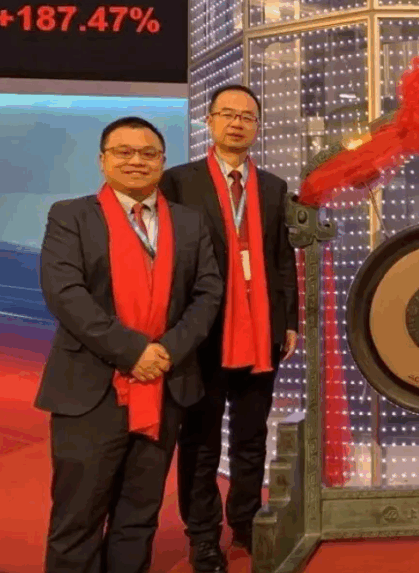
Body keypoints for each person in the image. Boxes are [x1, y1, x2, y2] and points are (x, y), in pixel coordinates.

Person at [37, 116, 223, 573]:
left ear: (162, 161)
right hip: (91, 391)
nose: (136, 160)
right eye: (123, 152)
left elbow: (208, 293)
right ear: (102, 160)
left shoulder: (189, 221)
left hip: (165, 385)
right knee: (77, 519)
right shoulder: (71, 216)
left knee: (138, 518)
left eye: (148, 153)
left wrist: (168, 351)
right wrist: (133, 351)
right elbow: (66, 294)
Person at [161, 84, 298, 572]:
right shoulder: (179, 182)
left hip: (261, 330)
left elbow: (282, 258)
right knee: (199, 440)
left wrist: (289, 321)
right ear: (210, 122)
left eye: (247, 116)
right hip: (203, 330)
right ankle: (202, 536)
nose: (237, 123)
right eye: (227, 114)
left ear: (257, 126)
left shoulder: (274, 187)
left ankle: (246, 521)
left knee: (251, 434)